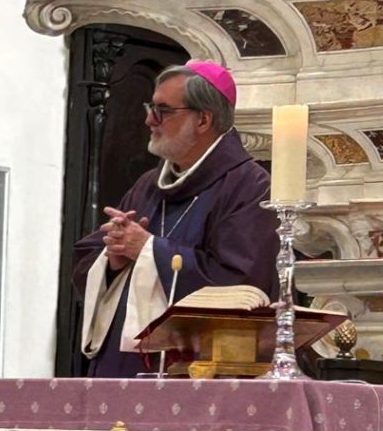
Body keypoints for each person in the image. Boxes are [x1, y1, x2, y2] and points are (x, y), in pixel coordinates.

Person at [71, 60, 276, 377]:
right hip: (123, 368)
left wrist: (150, 251)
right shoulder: (147, 186)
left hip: (199, 371)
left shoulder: (249, 186)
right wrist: (112, 259)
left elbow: (241, 285)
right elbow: (88, 260)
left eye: (163, 110)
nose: (149, 120)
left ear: (203, 119)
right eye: (150, 107)